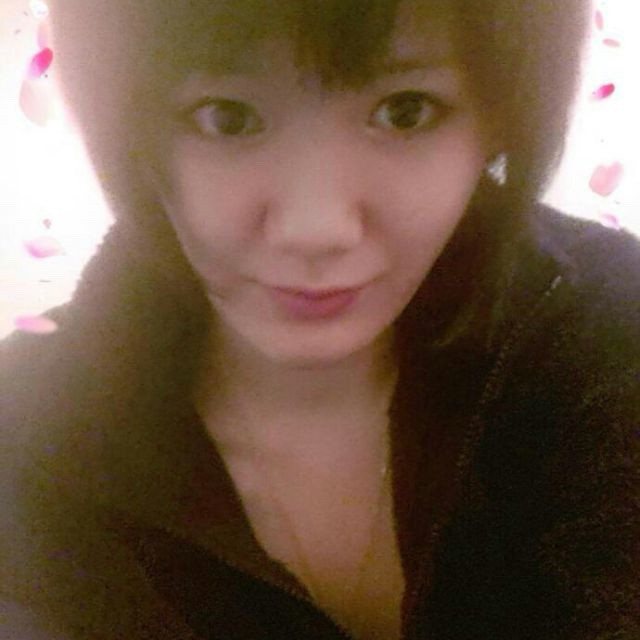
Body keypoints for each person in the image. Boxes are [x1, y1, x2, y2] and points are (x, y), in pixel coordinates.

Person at [1, 1, 638, 638]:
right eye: (227, 117)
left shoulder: (610, 332)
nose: (317, 229)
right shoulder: (26, 436)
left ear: (502, 114)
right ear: (131, 130)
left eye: (405, 110)